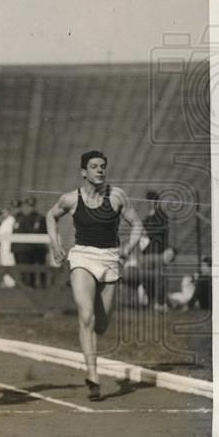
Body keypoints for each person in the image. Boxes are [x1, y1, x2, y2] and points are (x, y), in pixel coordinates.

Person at [46, 150, 143, 401]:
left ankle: (92, 365)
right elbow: (51, 216)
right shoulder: (71, 199)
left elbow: (138, 226)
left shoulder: (117, 196)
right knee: (86, 316)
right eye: (94, 166)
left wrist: (127, 250)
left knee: (101, 324)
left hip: (111, 259)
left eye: (102, 166)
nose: (99, 170)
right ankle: (93, 376)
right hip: (83, 258)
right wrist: (55, 246)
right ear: (83, 172)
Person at [15, 197, 48, 287]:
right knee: (31, 267)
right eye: (29, 205)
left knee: (41, 266)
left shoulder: (40, 218)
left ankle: (43, 284)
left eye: (31, 205)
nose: (30, 208)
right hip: (30, 247)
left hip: (39, 247)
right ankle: (31, 284)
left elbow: (45, 231)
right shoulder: (24, 218)